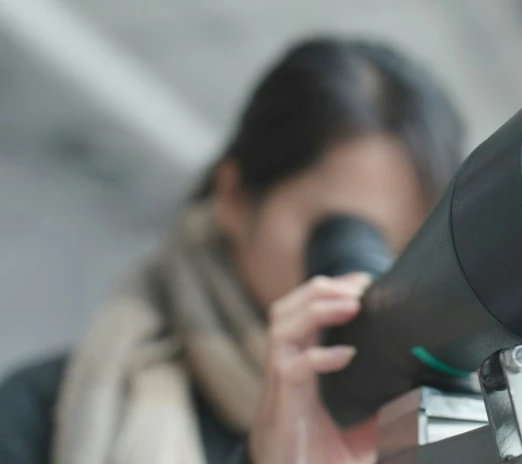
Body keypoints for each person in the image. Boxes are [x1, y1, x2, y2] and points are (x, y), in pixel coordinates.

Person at [0, 37, 463, 464]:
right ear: (235, 197)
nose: (372, 278)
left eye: (407, 248)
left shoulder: (429, 435)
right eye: (342, 235)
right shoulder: (40, 415)